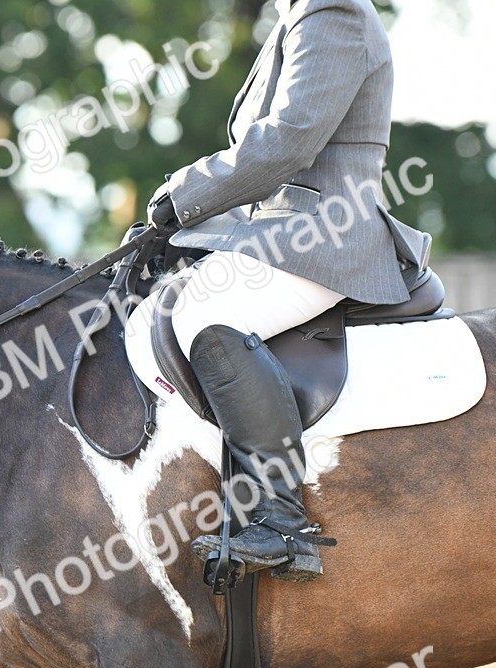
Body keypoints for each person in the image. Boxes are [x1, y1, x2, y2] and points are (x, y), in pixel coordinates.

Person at [148, 0, 432, 581]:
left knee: (205, 314)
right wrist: (184, 227)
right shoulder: (294, 15)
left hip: (326, 236)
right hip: (283, 234)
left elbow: (289, 141)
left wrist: (185, 195)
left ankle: (281, 522)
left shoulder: (332, 10)